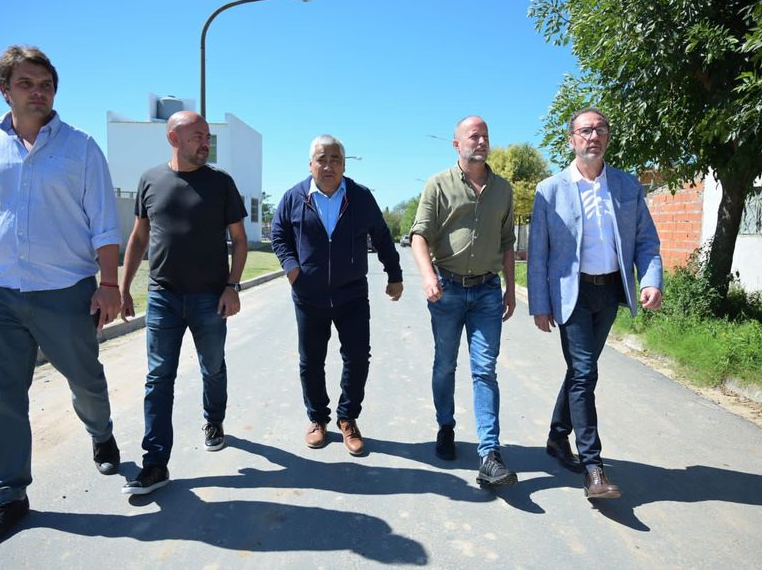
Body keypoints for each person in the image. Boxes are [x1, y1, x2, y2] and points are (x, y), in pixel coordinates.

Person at [0, 45, 122, 546]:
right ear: (4, 90)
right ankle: (9, 495)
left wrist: (108, 284)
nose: (38, 92)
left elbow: (105, 223)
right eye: (26, 83)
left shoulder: (81, 147)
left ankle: (101, 431)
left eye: (45, 84)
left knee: (86, 380)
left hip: (65, 292)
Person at [527, 107, 663, 499]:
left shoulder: (626, 186)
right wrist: (540, 302)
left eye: (601, 129)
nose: (593, 136)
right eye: (585, 130)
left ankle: (557, 437)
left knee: (580, 370)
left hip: (609, 292)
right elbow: (538, 254)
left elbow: (646, 241)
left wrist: (651, 279)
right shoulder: (550, 190)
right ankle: (593, 467)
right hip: (572, 295)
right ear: (571, 139)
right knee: (585, 373)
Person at [119, 111, 248, 495]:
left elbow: (239, 240)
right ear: (173, 138)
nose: (205, 142)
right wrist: (124, 287)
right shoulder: (150, 180)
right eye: (197, 136)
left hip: (211, 297)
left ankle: (214, 420)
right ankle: (155, 463)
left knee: (212, 366)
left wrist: (232, 286)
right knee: (158, 378)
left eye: (207, 136)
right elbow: (139, 238)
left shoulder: (221, 183)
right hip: (163, 297)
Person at [271, 134, 403, 456]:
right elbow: (278, 233)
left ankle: (348, 418)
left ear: (344, 164)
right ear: (311, 164)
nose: (328, 165)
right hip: (309, 296)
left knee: (357, 358)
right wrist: (291, 267)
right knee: (311, 361)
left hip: (352, 295)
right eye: (322, 159)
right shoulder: (294, 197)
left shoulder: (360, 197)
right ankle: (317, 419)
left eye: (336, 160)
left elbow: (383, 237)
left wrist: (394, 275)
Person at [410, 116, 518, 488]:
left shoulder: (502, 190)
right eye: (474, 135)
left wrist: (511, 288)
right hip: (447, 289)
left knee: (485, 370)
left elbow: (507, 243)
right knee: (445, 365)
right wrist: (427, 276)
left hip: (487, 292)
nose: (482, 140)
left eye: (486, 135)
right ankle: (445, 426)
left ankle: (489, 453)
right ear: (457, 144)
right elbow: (419, 235)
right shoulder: (438, 185)